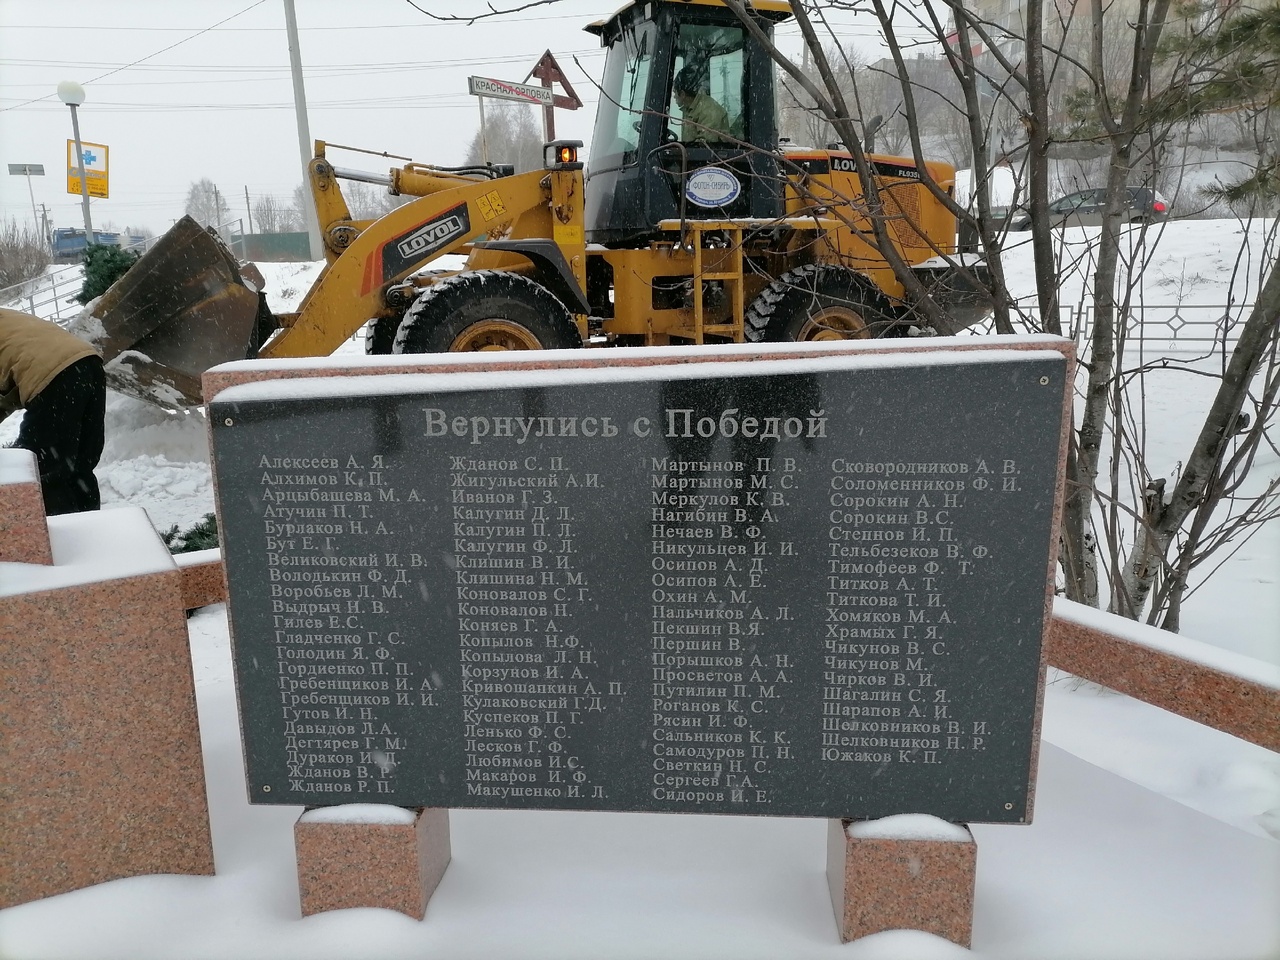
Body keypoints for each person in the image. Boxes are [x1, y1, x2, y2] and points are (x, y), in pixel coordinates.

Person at [0, 307, 106, 515]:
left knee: (42, 471)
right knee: (80, 467)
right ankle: (92, 530)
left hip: (52, 376)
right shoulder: (8, 318)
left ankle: (59, 538)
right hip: (88, 363)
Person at [673, 65, 732, 144]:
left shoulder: (709, 112)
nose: (674, 96)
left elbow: (704, 149)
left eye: (675, 92)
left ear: (682, 94)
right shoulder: (691, 109)